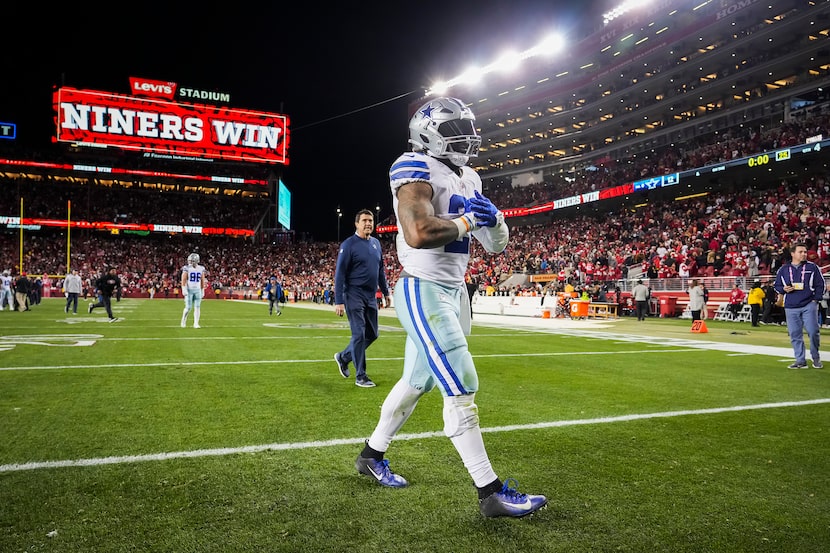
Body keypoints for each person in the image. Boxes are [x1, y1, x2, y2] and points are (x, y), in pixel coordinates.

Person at [353, 97, 546, 518]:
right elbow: (419, 231)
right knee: (461, 381)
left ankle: (371, 454)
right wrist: (468, 223)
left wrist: (494, 220)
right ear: (429, 133)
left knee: (416, 382)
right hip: (424, 288)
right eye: (455, 130)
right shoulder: (413, 166)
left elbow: (495, 246)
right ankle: (489, 491)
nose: (466, 138)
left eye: (467, 129)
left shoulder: (470, 176)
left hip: (456, 293)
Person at [333, 209, 391, 388]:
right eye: (365, 220)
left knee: (372, 334)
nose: (368, 224)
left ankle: (343, 357)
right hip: (353, 294)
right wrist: (339, 300)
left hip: (371, 296)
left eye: (371, 221)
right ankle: (361, 376)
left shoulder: (376, 244)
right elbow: (340, 273)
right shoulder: (348, 245)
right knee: (359, 334)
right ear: (357, 224)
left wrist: (386, 292)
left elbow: (380, 269)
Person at [774, 242, 825, 369]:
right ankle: (800, 360)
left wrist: (816, 300)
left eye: (805, 252)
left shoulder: (812, 267)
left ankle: (815, 356)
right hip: (791, 305)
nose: (804, 254)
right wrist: (784, 289)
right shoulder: (784, 269)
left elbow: (820, 284)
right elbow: (777, 285)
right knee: (795, 334)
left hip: (809, 303)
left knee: (813, 331)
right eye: (800, 252)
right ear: (793, 254)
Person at [181, 253, 207, 328]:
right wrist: (184, 288)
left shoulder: (201, 268)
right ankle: (183, 319)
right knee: (188, 307)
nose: (190, 262)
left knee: (197, 307)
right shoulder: (186, 268)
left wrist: (202, 290)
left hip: (197, 289)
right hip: (189, 290)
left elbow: (202, 280)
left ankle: (196, 323)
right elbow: (183, 279)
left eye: (191, 260)